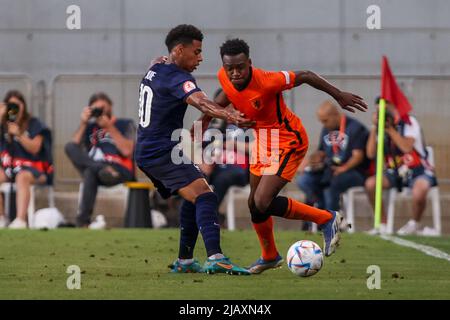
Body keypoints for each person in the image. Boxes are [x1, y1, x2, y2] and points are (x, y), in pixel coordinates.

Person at [197, 38, 367, 274]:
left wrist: (338, 94)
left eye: (240, 67)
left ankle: (326, 218)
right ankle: (269, 255)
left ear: (250, 63)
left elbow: (306, 75)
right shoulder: (224, 76)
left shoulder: (268, 81)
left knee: (263, 201)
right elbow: (225, 94)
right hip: (263, 141)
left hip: (287, 139)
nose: (235, 73)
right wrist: (205, 121)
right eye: (230, 68)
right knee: (254, 205)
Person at [135, 25, 254, 275]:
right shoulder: (178, 77)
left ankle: (185, 261)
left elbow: (156, 59)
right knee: (206, 195)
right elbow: (201, 101)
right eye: (197, 52)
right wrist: (228, 114)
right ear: (179, 50)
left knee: (196, 194)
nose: (200, 58)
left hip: (150, 150)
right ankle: (216, 258)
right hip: (160, 152)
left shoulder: (157, 68)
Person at [365, 97, 437, 235]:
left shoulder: (409, 122)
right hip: (395, 172)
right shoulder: (379, 127)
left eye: (385, 110)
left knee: (419, 190)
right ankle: (383, 224)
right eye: (379, 111)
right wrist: (375, 127)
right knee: (370, 184)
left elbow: (406, 147)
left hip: (418, 170)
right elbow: (370, 153)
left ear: (393, 107)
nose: (383, 114)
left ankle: (414, 224)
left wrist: (390, 129)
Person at [65, 92, 135, 228]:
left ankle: (82, 222)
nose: (100, 111)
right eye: (95, 109)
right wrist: (83, 122)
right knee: (71, 149)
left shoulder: (124, 123)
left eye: (103, 107)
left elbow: (128, 151)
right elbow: (73, 146)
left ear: (111, 106)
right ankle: (83, 222)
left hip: (119, 169)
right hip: (98, 169)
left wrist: (109, 127)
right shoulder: (89, 127)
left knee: (90, 171)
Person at [296, 101, 369, 212]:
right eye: (321, 121)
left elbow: (358, 156)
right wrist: (311, 161)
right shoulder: (327, 128)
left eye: (325, 120)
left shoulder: (355, 127)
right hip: (329, 170)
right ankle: (321, 207)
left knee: (331, 183)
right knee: (304, 180)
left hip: (353, 172)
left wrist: (343, 169)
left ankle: (331, 218)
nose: (323, 124)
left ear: (335, 114)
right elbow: (322, 152)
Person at [0, 90, 52, 229]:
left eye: (17, 105)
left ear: (24, 106)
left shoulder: (34, 124)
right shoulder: (3, 125)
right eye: (10, 106)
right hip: (10, 170)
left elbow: (35, 148)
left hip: (35, 171)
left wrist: (19, 134)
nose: (14, 110)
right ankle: (1, 218)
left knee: (22, 176)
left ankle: (21, 220)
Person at [199, 119, 250, 225]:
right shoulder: (212, 125)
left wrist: (234, 144)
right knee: (196, 176)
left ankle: (208, 214)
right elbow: (199, 149)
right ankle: (204, 215)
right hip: (215, 167)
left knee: (224, 178)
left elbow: (257, 148)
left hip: (238, 168)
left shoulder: (246, 123)